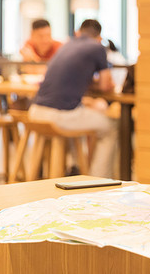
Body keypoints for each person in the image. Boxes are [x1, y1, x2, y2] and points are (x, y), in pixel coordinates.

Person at [28, 19, 118, 178]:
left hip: (35, 111)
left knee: (81, 112)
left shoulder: (66, 45)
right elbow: (106, 85)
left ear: (78, 32)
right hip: (58, 116)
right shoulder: (97, 47)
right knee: (110, 126)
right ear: (99, 37)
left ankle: (74, 167)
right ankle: (98, 179)